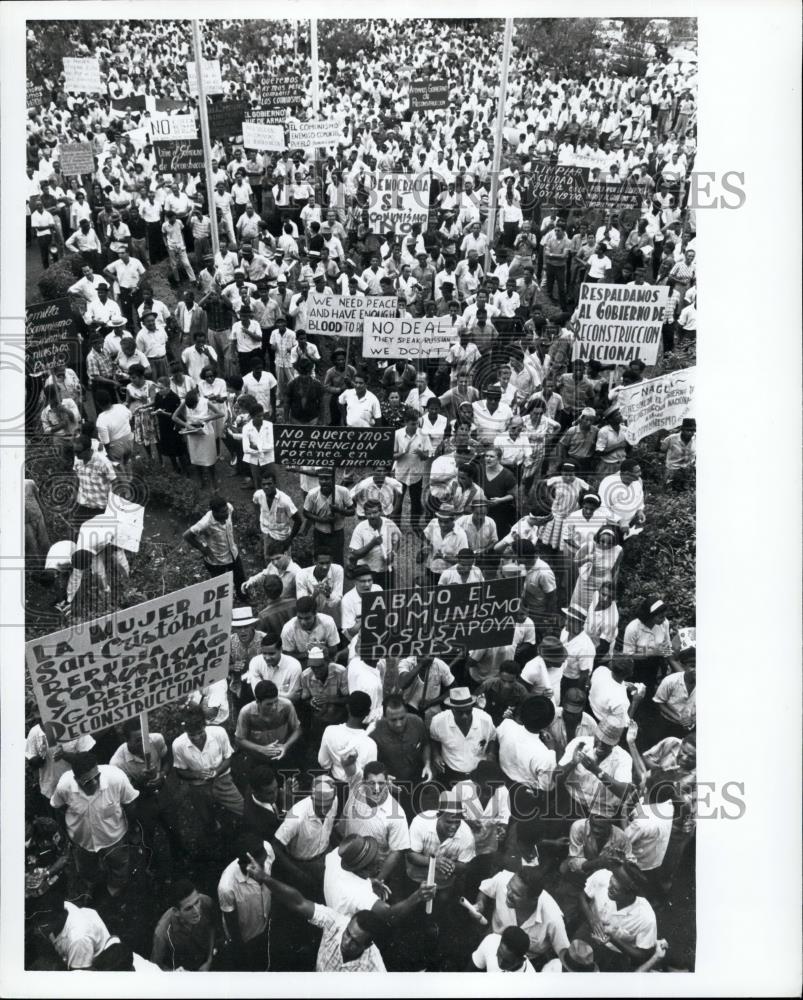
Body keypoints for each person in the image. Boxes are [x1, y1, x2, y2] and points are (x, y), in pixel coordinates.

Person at [243, 867, 388, 971]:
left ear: (368, 946)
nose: (346, 942)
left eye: (355, 942)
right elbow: (299, 902)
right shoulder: (336, 923)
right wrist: (264, 878)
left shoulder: (375, 968)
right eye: (348, 933)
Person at [50, 751, 139, 898]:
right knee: (86, 869)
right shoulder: (64, 786)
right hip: (82, 841)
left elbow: (130, 803)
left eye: (97, 777)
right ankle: (96, 885)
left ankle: (116, 886)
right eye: (87, 781)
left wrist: (133, 829)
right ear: (76, 779)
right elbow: (58, 807)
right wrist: (67, 834)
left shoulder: (116, 778)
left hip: (114, 837)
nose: (95, 783)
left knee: (119, 864)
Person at [474, 865, 570, 969]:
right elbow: (484, 889)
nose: (508, 894)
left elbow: (564, 954)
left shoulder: (553, 919)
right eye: (509, 888)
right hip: (494, 944)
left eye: (516, 894)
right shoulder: (503, 879)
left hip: (527, 962)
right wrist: (480, 903)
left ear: (533, 899)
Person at [577, 862, 658, 970]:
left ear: (630, 894)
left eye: (615, 889)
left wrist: (613, 939)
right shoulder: (602, 876)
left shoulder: (646, 918)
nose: (608, 888)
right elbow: (582, 896)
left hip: (615, 954)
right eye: (610, 882)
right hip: (589, 930)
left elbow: (643, 954)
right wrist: (592, 919)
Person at [171, 706, 244, 825]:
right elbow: (180, 771)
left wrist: (216, 772)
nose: (197, 738)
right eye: (191, 735)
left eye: (200, 733)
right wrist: (196, 774)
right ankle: (214, 829)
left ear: (205, 725)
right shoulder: (178, 745)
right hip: (198, 786)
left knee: (242, 809)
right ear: (185, 730)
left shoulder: (219, 733)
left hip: (222, 779)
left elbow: (228, 757)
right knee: (207, 819)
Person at [218, 833, 275, 971]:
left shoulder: (267, 850)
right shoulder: (227, 886)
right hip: (246, 937)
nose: (263, 867)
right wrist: (240, 949)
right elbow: (232, 924)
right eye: (258, 864)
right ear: (244, 864)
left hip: (265, 925)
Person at [429, 688, 496, 786]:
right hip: (451, 774)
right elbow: (434, 739)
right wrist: (436, 755)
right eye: (460, 713)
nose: (465, 716)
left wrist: (490, 754)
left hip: (478, 774)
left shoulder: (485, 719)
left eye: (468, 712)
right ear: (452, 709)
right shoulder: (438, 721)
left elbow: (492, 738)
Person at [151, 879, 217, 971]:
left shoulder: (206, 902)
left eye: (197, 902)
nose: (197, 911)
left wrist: (209, 960)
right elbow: (154, 967)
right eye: (189, 908)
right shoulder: (162, 932)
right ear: (176, 912)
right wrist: (175, 974)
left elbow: (212, 927)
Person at [183, 494, 245, 592]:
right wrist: (202, 548)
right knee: (220, 587)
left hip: (233, 554)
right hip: (216, 561)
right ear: (214, 513)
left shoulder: (229, 508)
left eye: (226, 510)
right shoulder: (205, 523)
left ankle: (244, 598)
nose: (227, 513)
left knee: (240, 579)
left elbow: (231, 514)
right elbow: (187, 535)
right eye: (223, 512)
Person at [469, 926, 537, 973]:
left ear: (521, 960)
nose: (500, 963)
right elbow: (469, 972)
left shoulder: (530, 980)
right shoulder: (491, 941)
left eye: (507, 961)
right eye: (499, 954)